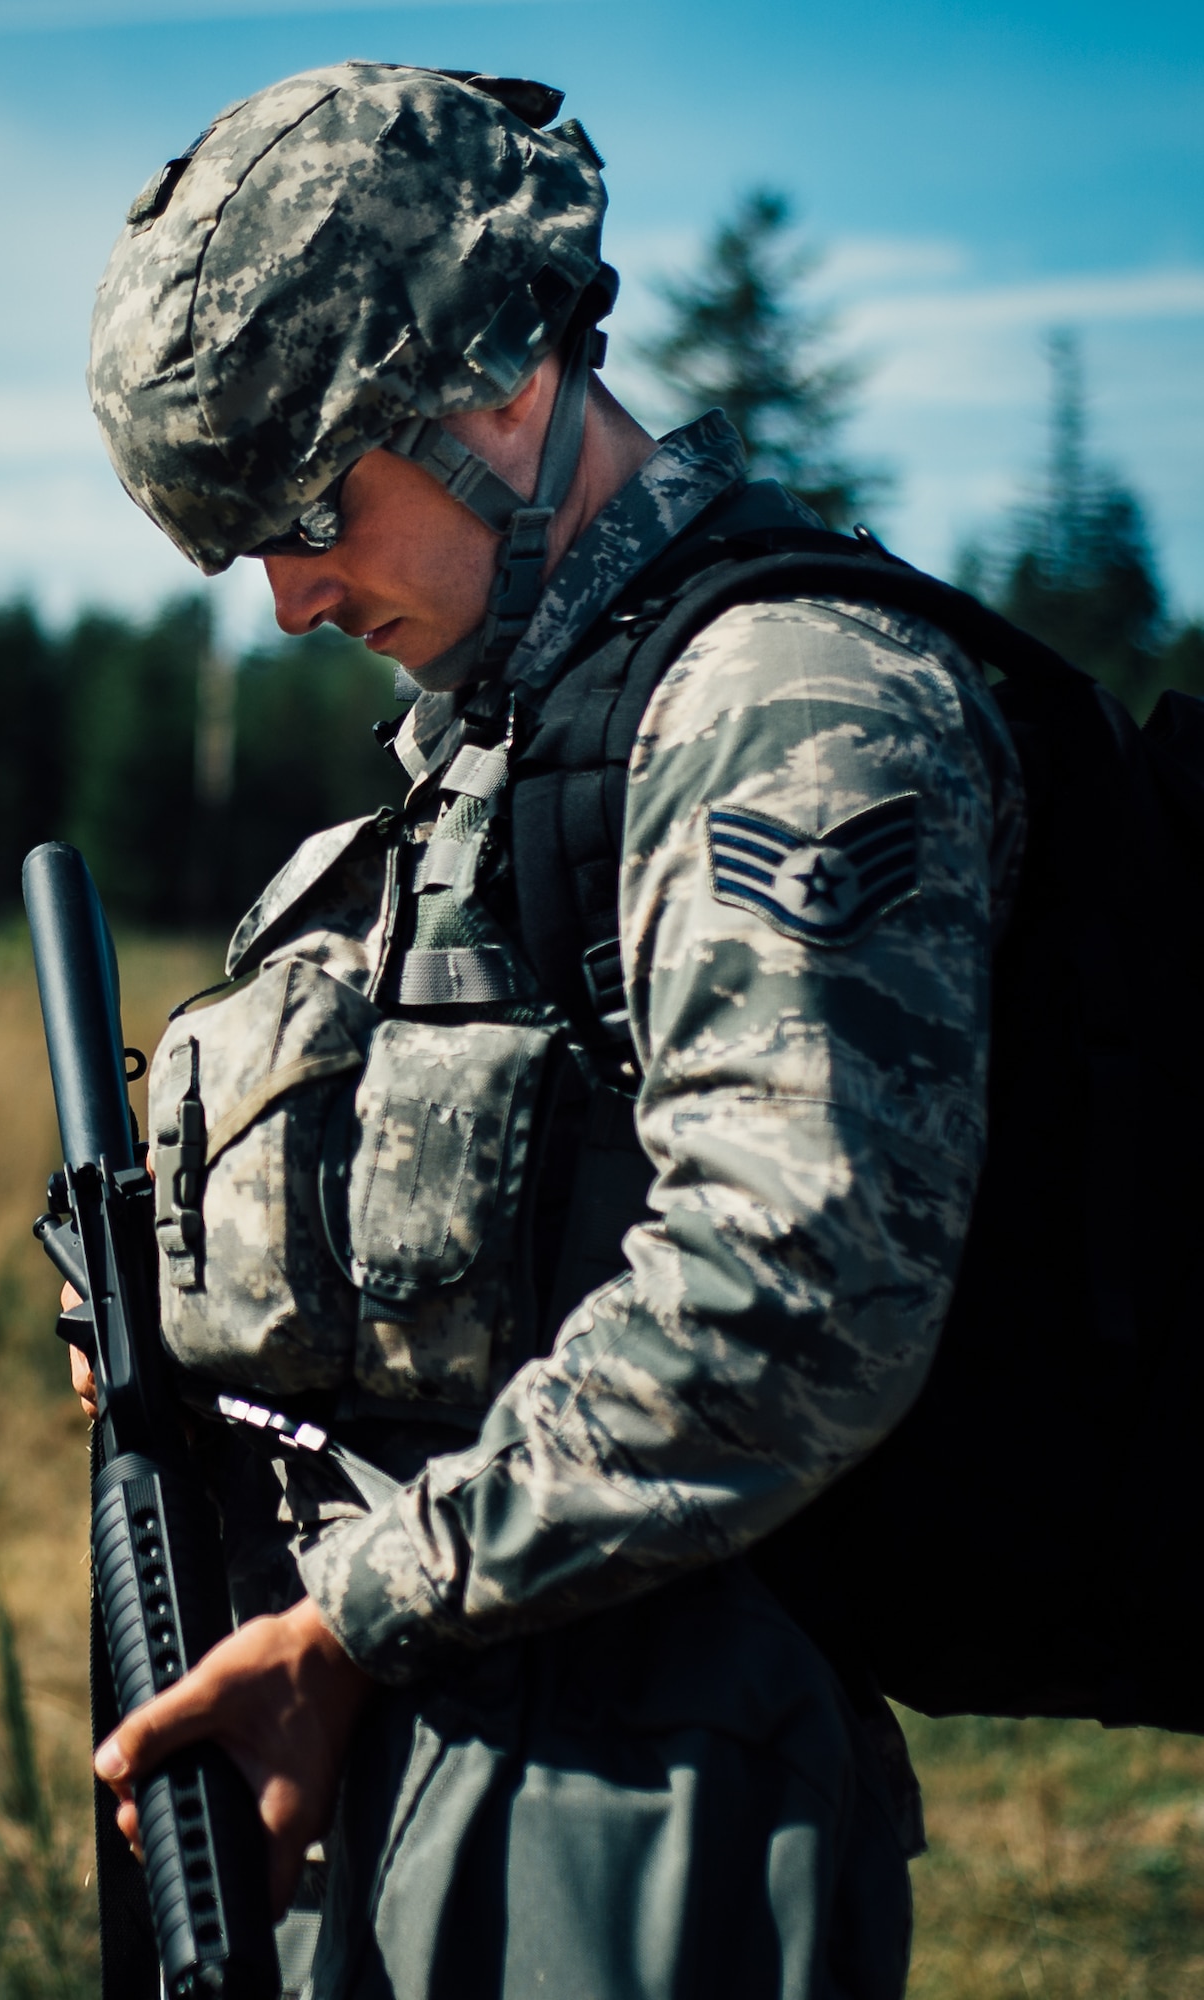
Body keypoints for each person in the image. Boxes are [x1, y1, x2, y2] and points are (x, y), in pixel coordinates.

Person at [75, 60, 1026, 2000]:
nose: (283, 598)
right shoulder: (508, 741)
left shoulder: (781, 703)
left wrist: (358, 1609)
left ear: (502, 380)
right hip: (432, 1732)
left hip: (632, 1784)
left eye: (311, 504)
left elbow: (789, 1290)